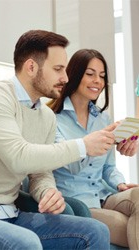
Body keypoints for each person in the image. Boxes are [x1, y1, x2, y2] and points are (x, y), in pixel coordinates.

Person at [0, 30, 115, 250]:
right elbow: (19, 157)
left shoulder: (46, 116)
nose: (65, 78)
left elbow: (40, 172)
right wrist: (82, 146)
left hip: (11, 213)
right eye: (58, 69)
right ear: (31, 67)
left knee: (95, 231)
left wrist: (47, 191)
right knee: (27, 243)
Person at [48, 49, 139, 250]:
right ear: (74, 75)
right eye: (90, 74)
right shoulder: (52, 120)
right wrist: (90, 144)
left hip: (105, 195)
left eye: (102, 76)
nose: (97, 80)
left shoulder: (103, 118)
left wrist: (120, 183)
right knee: (129, 226)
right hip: (76, 202)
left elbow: (108, 167)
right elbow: (69, 165)